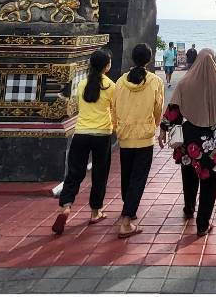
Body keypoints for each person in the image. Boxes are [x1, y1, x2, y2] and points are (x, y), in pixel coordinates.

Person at [159, 49, 216, 237]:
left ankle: (188, 209)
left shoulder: (185, 82)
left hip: (190, 141)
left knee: (189, 174)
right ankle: (202, 224)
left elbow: (173, 110)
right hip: (214, 143)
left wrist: (163, 128)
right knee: (210, 182)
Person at [52, 48, 115, 234]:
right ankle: (95, 212)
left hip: (81, 133)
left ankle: (66, 206)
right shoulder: (111, 86)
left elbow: (78, 105)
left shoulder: (81, 84)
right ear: (106, 66)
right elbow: (113, 109)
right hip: (102, 134)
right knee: (99, 174)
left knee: (75, 172)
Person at [112, 43, 165, 239]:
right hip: (144, 135)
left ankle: (129, 209)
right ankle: (126, 220)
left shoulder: (120, 81)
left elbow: (114, 107)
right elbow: (158, 107)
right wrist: (156, 125)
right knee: (138, 177)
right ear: (149, 60)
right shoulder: (154, 81)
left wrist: (117, 125)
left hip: (125, 134)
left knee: (127, 175)